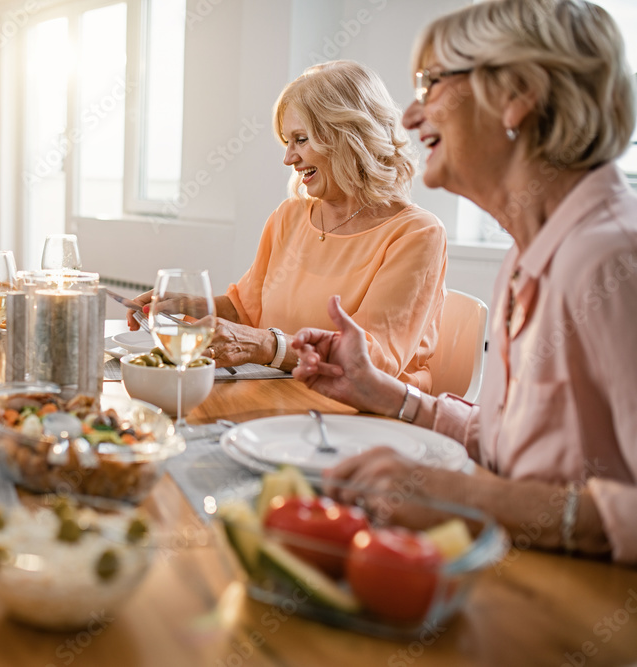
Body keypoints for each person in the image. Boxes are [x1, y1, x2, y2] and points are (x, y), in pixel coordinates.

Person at [291, 0, 637, 564]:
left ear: (516, 94)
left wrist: (477, 499)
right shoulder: (530, 253)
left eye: (431, 84)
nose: (408, 116)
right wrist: (387, 393)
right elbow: (510, 448)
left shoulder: (615, 259)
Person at [128, 61, 446, 391]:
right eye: (287, 142)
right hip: (282, 395)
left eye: (301, 139)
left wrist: (268, 347)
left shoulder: (416, 234)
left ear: (349, 136)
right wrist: (188, 305)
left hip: (366, 413)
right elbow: (248, 311)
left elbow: (372, 360)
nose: (289, 158)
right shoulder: (289, 217)